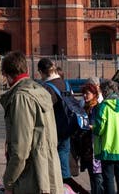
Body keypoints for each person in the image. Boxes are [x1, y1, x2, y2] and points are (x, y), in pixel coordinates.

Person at [0, 51, 63, 194]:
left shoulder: (21, 97)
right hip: (48, 171)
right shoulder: (39, 90)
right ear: (26, 69)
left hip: (31, 178)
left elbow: (21, 149)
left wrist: (8, 182)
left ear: (6, 75)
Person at [36, 57, 73, 187]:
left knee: (51, 158)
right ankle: (67, 184)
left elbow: (43, 109)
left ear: (41, 71)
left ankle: (59, 185)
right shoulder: (66, 84)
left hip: (54, 128)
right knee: (64, 154)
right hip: (67, 126)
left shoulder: (48, 88)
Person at [94, 79, 119, 194]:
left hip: (107, 149)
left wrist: (92, 128)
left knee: (108, 179)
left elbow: (99, 130)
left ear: (105, 92)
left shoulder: (103, 107)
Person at [73, 82, 103, 194]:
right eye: (84, 94)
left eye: (87, 93)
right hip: (87, 148)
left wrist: (90, 126)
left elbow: (99, 126)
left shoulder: (97, 108)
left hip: (95, 147)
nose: (85, 96)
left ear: (94, 94)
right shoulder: (85, 107)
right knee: (92, 175)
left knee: (98, 177)